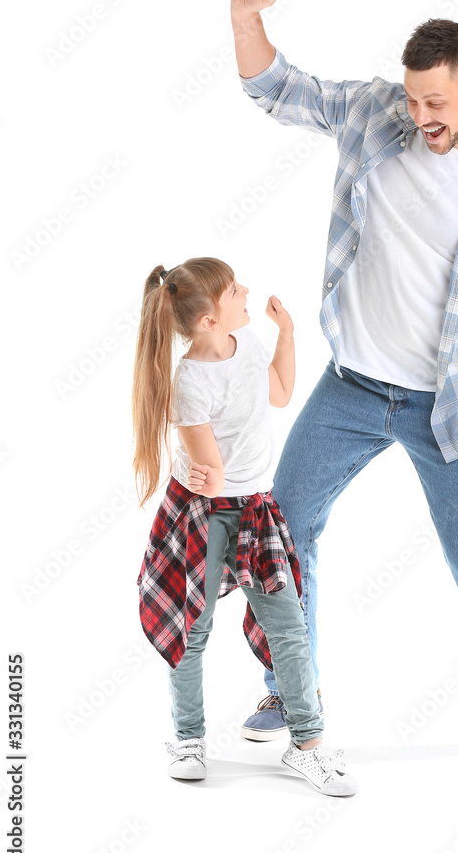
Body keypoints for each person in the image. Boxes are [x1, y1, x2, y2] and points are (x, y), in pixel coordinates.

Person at [230, 0, 458, 771]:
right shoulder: (378, 113)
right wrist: (244, 17)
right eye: (414, 100)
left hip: (451, 404)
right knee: (284, 529)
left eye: (437, 104)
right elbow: (276, 88)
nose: (421, 118)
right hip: (351, 385)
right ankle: (292, 688)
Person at [132, 257, 358, 795]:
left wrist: (287, 335)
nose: (247, 291)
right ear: (209, 320)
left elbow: (279, 393)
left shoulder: (249, 343)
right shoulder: (189, 383)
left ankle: (308, 745)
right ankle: (189, 738)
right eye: (235, 291)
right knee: (193, 626)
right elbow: (211, 482)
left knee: (289, 625)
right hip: (206, 515)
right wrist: (206, 472)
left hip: (255, 509)